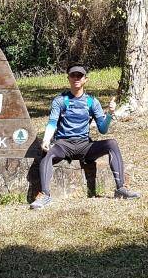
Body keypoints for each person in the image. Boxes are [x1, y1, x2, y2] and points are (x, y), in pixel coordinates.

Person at [30, 65, 141, 209]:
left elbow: (102, 129)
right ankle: (45, 195)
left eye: (79, 76)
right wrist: (46, 139)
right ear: (68, 78)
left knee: (112, 143)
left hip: (84, 146)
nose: (76, 78)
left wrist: (110, 114)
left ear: (85, 79)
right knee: (47, 152)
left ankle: (121, 189)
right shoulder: (60, 100)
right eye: (73, 75)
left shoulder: (92, 102)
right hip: (63, 144)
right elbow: (52, 122)